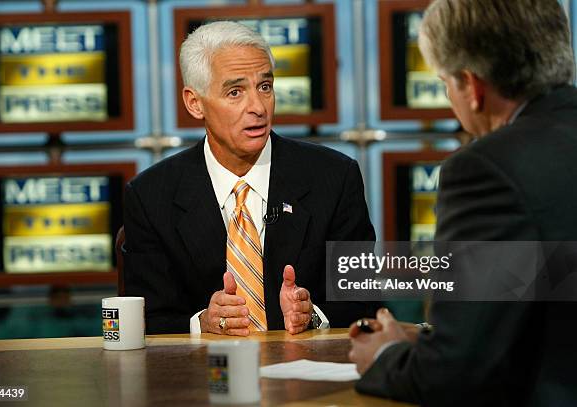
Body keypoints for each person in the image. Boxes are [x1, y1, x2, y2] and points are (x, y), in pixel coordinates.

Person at [349, 0, 577, 405]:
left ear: (472, 87)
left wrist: (385, 354)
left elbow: (454, 375)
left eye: (444, 82)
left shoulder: (487, 170)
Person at [123, 21, 377, 335]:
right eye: (235, 92)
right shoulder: (150, 196)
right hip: (200, 378)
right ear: (195, 102)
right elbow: (148, 319)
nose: (257, 107)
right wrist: (202, 323)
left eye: (265, 87)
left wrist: (312, 316)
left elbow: (364, 302)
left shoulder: (334, 178)